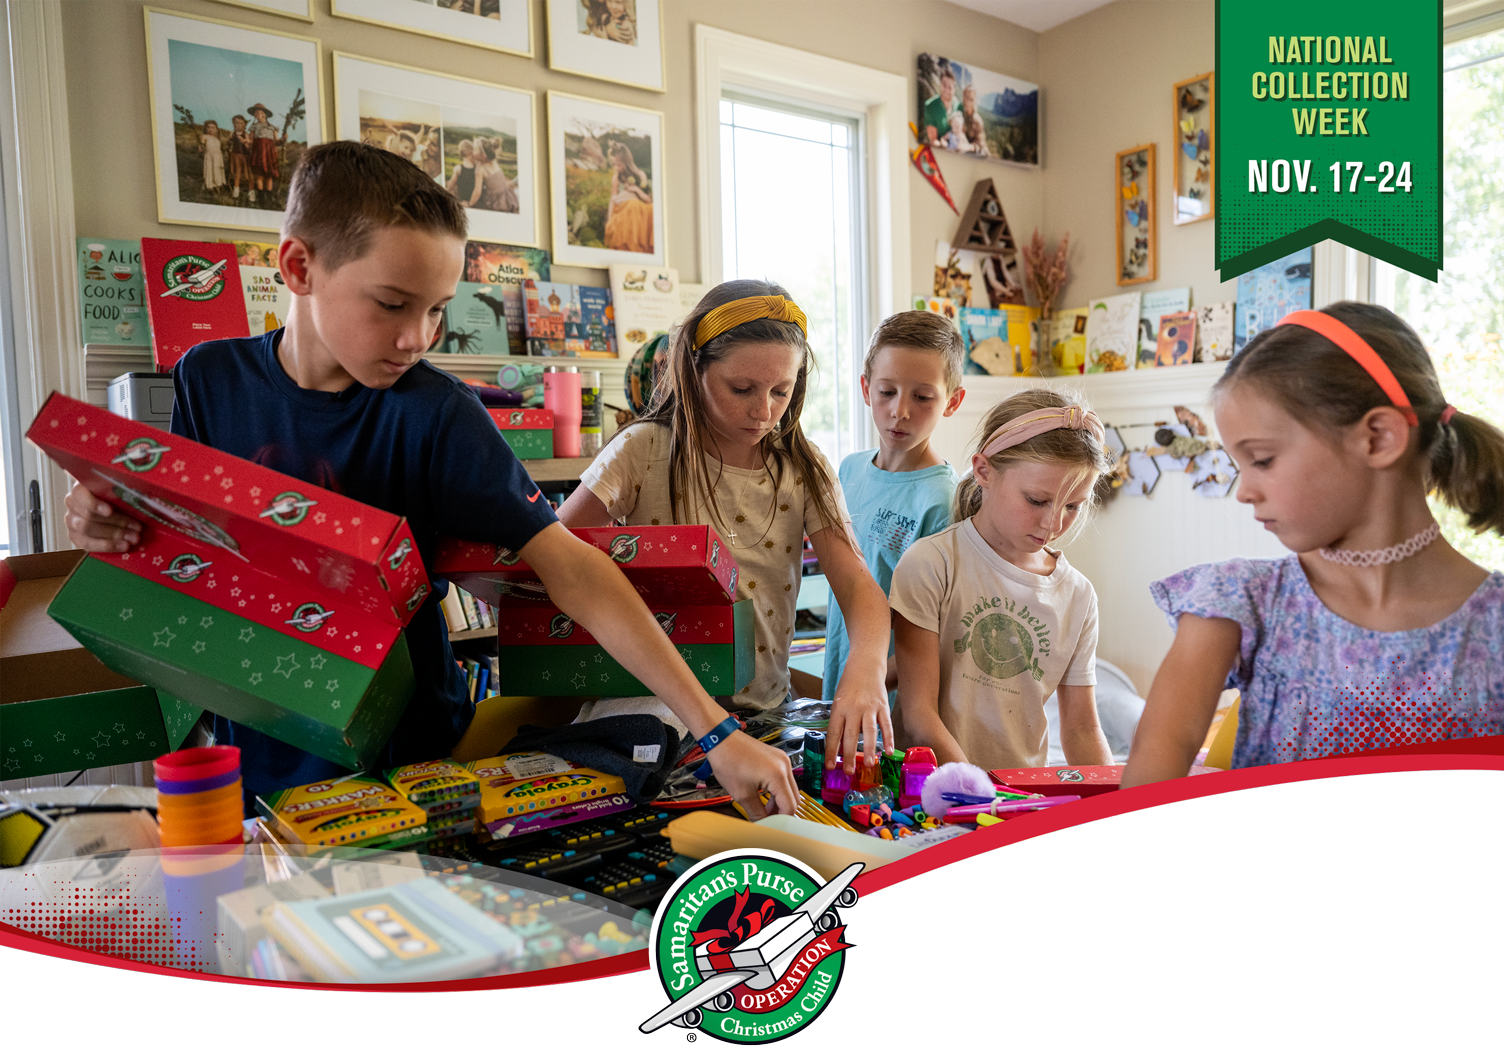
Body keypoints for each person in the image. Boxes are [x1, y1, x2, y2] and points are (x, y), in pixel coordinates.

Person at [63, 141, 798, 819]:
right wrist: (105, 519)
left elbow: (574, 566)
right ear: (298, 268)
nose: (417, 337)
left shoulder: (437, 411)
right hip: (258, 738)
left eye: (438, 310)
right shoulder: (208, 378)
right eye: (391, 304)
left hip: (409, 760)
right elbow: (180, 538)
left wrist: (715, 730)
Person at [1122, 303, 1504, 787]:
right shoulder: (1238, 601)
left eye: (1261, 460)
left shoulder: (1495, 625)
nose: (1244, 490)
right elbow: (1158, 760)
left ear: (1379, 438)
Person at [555, 279, 896, 773]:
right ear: (695, 371)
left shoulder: (803, 467)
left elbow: (860, 587)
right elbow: (554, 557)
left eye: (782, 390)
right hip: (651, 709)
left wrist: (865, 669)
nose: (764, 411)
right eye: (742, 389)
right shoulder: (641, 450)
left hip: (762, 714)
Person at [891, 391, 1115, 770]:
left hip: (1020, 796)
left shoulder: (1078, 596)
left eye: (1073, 506)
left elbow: (1081, 730)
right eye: (1036, 500)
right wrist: (976, 793)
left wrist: (1117, 812)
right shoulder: (933, 564)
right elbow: (918, 717)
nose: (1054, 523)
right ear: (984, 471)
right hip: (930, 793)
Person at [821, 312, 967, 719]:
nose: (899, 411)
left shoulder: (944, 501)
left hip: (894, 710)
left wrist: (868, 680)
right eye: (887, 391)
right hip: (840, 686)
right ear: (866, 389)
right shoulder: (847, 471)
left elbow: (944, 636)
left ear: (952, 401)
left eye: (922, 397)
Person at [603, 140, 652, 253]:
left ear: (627, 161)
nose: (616, 167)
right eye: (613, 164)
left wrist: (636, 190)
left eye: (618, 164)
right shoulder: (616, 178)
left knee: (641, 206)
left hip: (638, 207)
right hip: (622, 209)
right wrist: (609, 220)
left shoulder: (640, 175)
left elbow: (648, 200)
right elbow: (613, 199)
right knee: (631, 205)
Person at [246, 103, 281, 205]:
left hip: (269, 153)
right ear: (254, 116)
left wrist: (283, 139)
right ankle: (261, 197)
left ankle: (269, 196)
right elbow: (251, 140)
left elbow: (276, 140)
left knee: (269, 175)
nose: (259, 115)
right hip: (258, 152)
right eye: (256, 113)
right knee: (259, 174)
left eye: (261, 113)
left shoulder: (272, 127)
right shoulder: (254, 126)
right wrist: (246, 140)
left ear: (265, 114)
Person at [476, 138, 519, 213]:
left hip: (497, 202)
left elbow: (477, 192)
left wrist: (469, 204)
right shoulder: (494, 162)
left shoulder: (481, 169)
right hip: (508, 197)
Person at [922, 65, 958, 147]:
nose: (947, 90)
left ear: (954, 88)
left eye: (950, 87)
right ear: (940, 84)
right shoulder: (930, 106)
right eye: (944, 85)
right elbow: (933, 140)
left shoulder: (959, 106)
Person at [447, 138, 483, 208]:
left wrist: (446, 190)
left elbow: (451, 184)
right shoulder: (477, 168)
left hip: (463, 200)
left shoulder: (458, 169)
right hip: (474, 200)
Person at [228, 114, 253, 202]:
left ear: (244, 125)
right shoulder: (232, 133)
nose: (238, 125)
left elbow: (248, 146)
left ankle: (251, 191)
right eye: (236, 123)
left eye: (241, 123)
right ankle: (236, 189)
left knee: (249, 174)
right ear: (233, 124)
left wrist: (245, 142)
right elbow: (230, 144)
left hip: (245, 156)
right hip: (236, 156)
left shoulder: (245, 134)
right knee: (237, 173)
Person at [199, 119, 225, 193]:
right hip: (209, 157)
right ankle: (210, 186)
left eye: (213, 128)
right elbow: (202, 146)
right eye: (208, 127)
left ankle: (218, 184)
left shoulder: (217, 139)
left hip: (218, 157)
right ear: (205, 128)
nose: (210, 129)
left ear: (216, 129)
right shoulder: (205, 136)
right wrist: (201, 146)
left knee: (217, 171)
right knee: (209, 170)